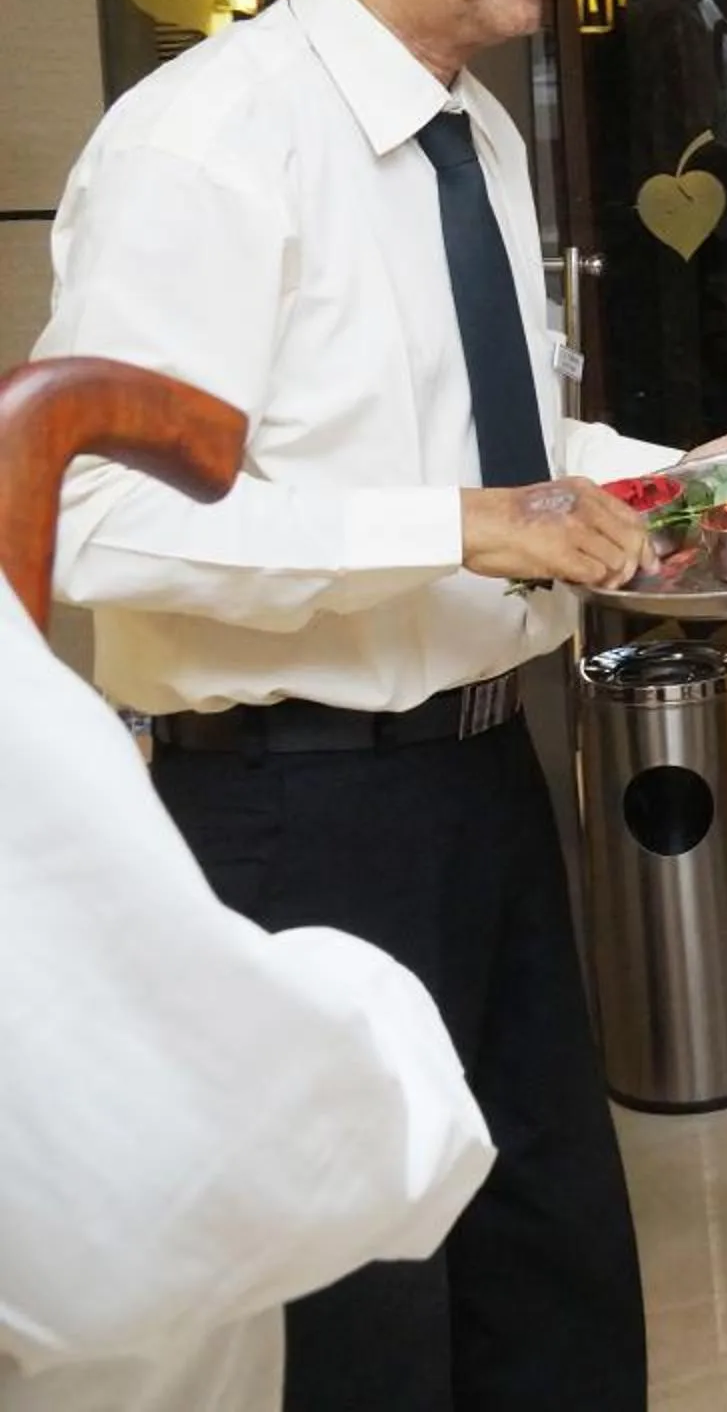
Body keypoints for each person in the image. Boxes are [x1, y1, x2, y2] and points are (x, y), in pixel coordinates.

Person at [32, 0, 727, 1412]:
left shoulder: (473, 129)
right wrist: (457, 526)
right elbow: (95, 523)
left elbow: (495, 445)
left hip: (486, 766)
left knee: (544, 1249)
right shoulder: (208, 145)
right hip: (291, 800)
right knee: (363, 1307)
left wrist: (683, 485)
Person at [0, 584, 492, 1412]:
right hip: (283, 781)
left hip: (471, 763)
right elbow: (136, 1211)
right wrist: (381, 1008)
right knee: (367, 1328)